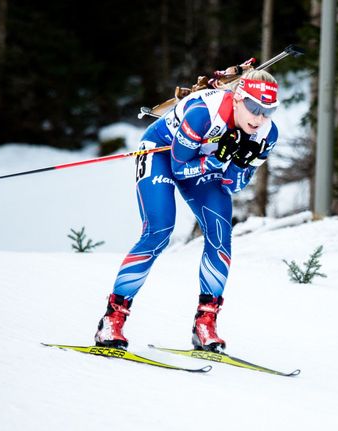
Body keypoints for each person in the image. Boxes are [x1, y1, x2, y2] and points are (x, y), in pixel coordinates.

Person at [94, 69, 280, 353]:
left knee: (220, 236)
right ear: (238, 98)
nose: (260, 118)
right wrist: (218, 160)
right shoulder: (202, 113)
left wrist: (240, 163)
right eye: (254, 107)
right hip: (162, 152)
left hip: (202, 160)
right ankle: (113, 319)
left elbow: (233, 185)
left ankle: (205, 324)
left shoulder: (267, 133)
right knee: (159, 230)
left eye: (269, 110)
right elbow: (180, 169)